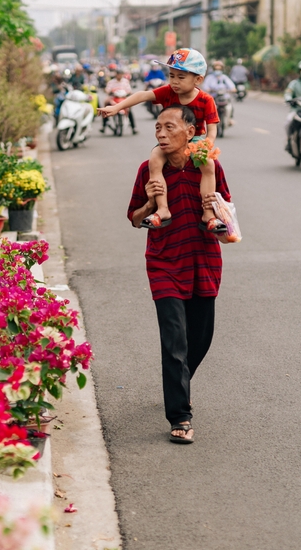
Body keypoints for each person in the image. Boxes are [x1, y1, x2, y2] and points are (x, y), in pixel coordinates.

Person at [126, 104, 232, 444]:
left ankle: (178, 381)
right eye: (157, 127)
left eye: (169, 127)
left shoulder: (208, 167)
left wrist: (217, 213)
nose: (160, 133)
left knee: (199, 340)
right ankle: (180, 416)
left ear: (190, 131)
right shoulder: (148, 169)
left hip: (204, 262)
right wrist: (148, 202)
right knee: (174, 341)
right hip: (164, 263)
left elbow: (226, 211)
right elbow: (133, 217)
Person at [99, 48, 222, 232]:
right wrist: (118, 107)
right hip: (170, 142)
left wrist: (207, 145)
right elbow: (143, 95)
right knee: (155, 157)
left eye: (181, 77)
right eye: (172, 76)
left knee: (209, 166)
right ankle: (163, 209)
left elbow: (212, 129)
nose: (174, 81)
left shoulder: (206, 100)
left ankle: (208, 214)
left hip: (196, 140)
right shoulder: (168, 92)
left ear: (198, 79)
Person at [103, 69, 136, 134]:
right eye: (118, 74)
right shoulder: (111, 82)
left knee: (129, 109)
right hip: (113, 97)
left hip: (123, 98)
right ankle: (104, 126)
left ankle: (133, 127)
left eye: (121, 74)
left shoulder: (125, 81)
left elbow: (129, 90)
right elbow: (107, 90)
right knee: (105, 106)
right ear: (116, 75)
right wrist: (109, 92)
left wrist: (129, 93)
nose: (119, 76)